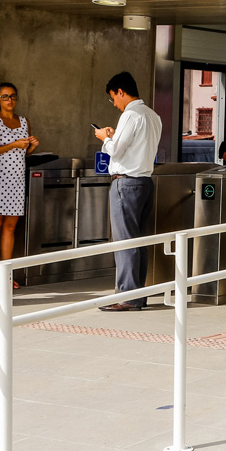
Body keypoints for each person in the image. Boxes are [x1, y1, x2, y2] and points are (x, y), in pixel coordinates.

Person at [94, 71, 162, 312]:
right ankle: (137, 295)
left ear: (120, 92)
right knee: (139, 241)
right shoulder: (152, 115)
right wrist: (114, 137)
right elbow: (136, 147)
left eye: (113, 97)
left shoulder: (130, 114)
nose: (114, 103)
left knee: (125, 240)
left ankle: (127, 296)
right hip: (145, 182)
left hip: (125, 183)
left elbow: (117, 152)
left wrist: (104, 138)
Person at [0, 82, 38, 290]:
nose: (9, 100)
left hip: (16, 180)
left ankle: (6, 274)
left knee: (10, 227)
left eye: (13, 96)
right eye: (5, 96)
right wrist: (14, 144)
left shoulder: (24, 121)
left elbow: (23, 153)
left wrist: (31, 147)